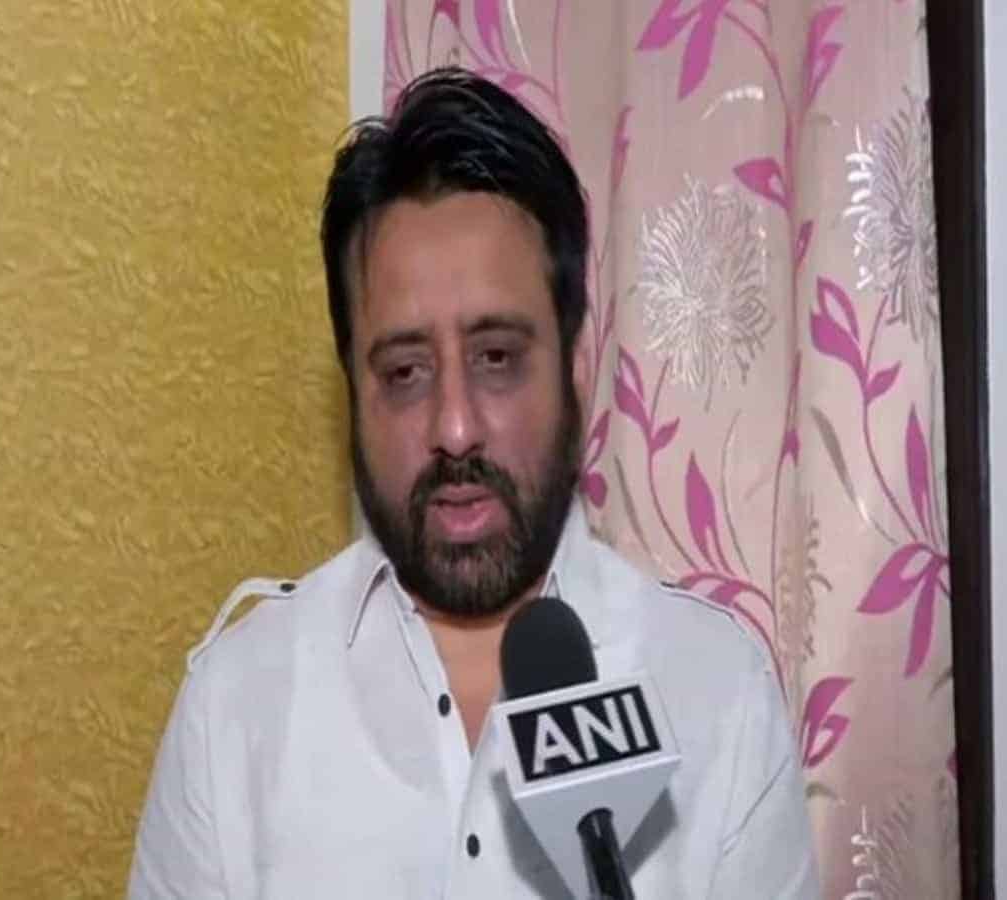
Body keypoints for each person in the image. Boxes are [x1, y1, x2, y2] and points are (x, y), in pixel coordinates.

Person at [129, 67, 819, 899]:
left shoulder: (720, 695)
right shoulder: (233, 710)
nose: (455, 428)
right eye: (405, 372)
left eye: (497, 358)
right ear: (352, 391)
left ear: (577, 367)